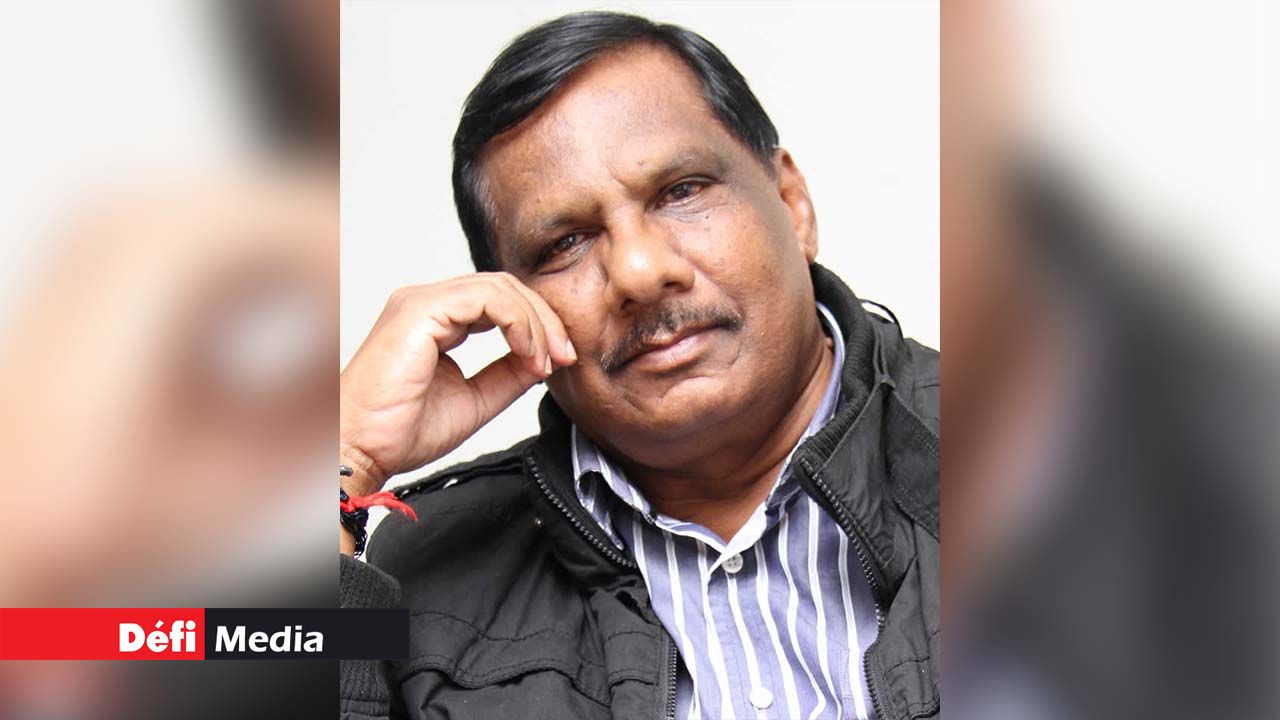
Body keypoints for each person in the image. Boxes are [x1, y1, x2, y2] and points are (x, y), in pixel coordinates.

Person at [339, 12, 938, 720]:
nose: (640, 272)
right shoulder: (421, 572)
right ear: (510, 304)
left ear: (792, 204)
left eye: (681, 191)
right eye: (565, 243)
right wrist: (343, 459)